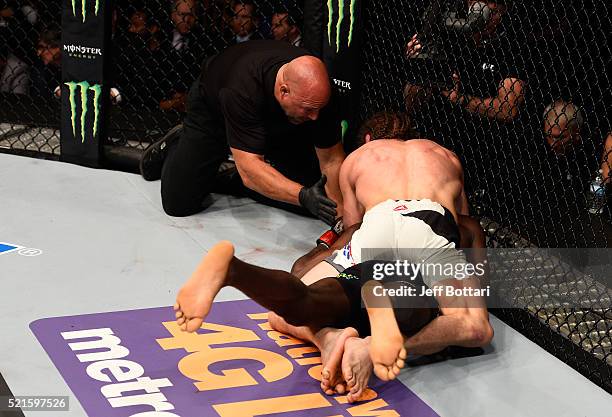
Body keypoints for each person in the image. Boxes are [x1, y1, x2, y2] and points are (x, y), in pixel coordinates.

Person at [173, 139, 492, 399]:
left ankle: (237, 272)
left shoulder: (357, 159)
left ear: (369, 139)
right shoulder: (444, 155)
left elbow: (351, 229)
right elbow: (463, 226)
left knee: (291, 309)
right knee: (472, 325)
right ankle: (367, 341)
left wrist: (320, 259)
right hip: (428, 223)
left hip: (376, 223)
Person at [140, 40, 345, 224]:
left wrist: (340, 217)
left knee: (318, 200)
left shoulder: (316, 96)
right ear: (284, 91)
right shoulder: (242, 88)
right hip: (214, 113)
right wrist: (302, 196)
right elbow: (250, 169)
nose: (315, 117)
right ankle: (177, 142)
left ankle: (234, 175)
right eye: (309, 109)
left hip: (279, 120)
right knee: (178, 203)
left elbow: (332, 160)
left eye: (318, 109)